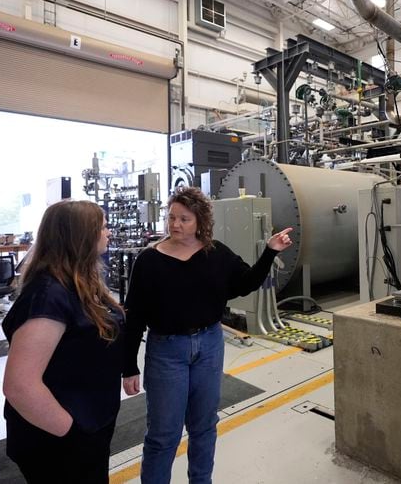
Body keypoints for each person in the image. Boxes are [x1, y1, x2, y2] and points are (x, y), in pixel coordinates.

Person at [122, 186, 293, 484]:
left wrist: (270, 251)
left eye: (184, 219)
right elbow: (134, 314)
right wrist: (128, 366)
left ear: (200, 221)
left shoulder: (217, 254)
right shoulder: (149, 261)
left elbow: (246, 283)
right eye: (172, 217)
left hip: (209, 346)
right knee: (164, 434)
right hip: (166, 351)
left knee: (204, 426)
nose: (175, 224)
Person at [2, 200, 124, 483]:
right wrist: (72, 432)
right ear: (81, 236)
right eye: (103, 227)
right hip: (60, 441)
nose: (108, 233)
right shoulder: (49, 294)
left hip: (89, 427)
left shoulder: (79, 282)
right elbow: (20, 386)